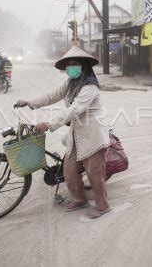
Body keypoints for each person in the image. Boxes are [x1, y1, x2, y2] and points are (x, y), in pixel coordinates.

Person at [16, 46, 111, 219]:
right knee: (68, 169)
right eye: (68, 65)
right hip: (77, 130)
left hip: (93, 132)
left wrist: (49, 124)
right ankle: (80, 199)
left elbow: (74, 110)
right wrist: (30, 103)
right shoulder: (71, 82)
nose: (69, 68)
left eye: (73, 64)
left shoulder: (90, 86)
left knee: (94, 172)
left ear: (83, 65)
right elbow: (52, 95)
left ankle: (103, 205)